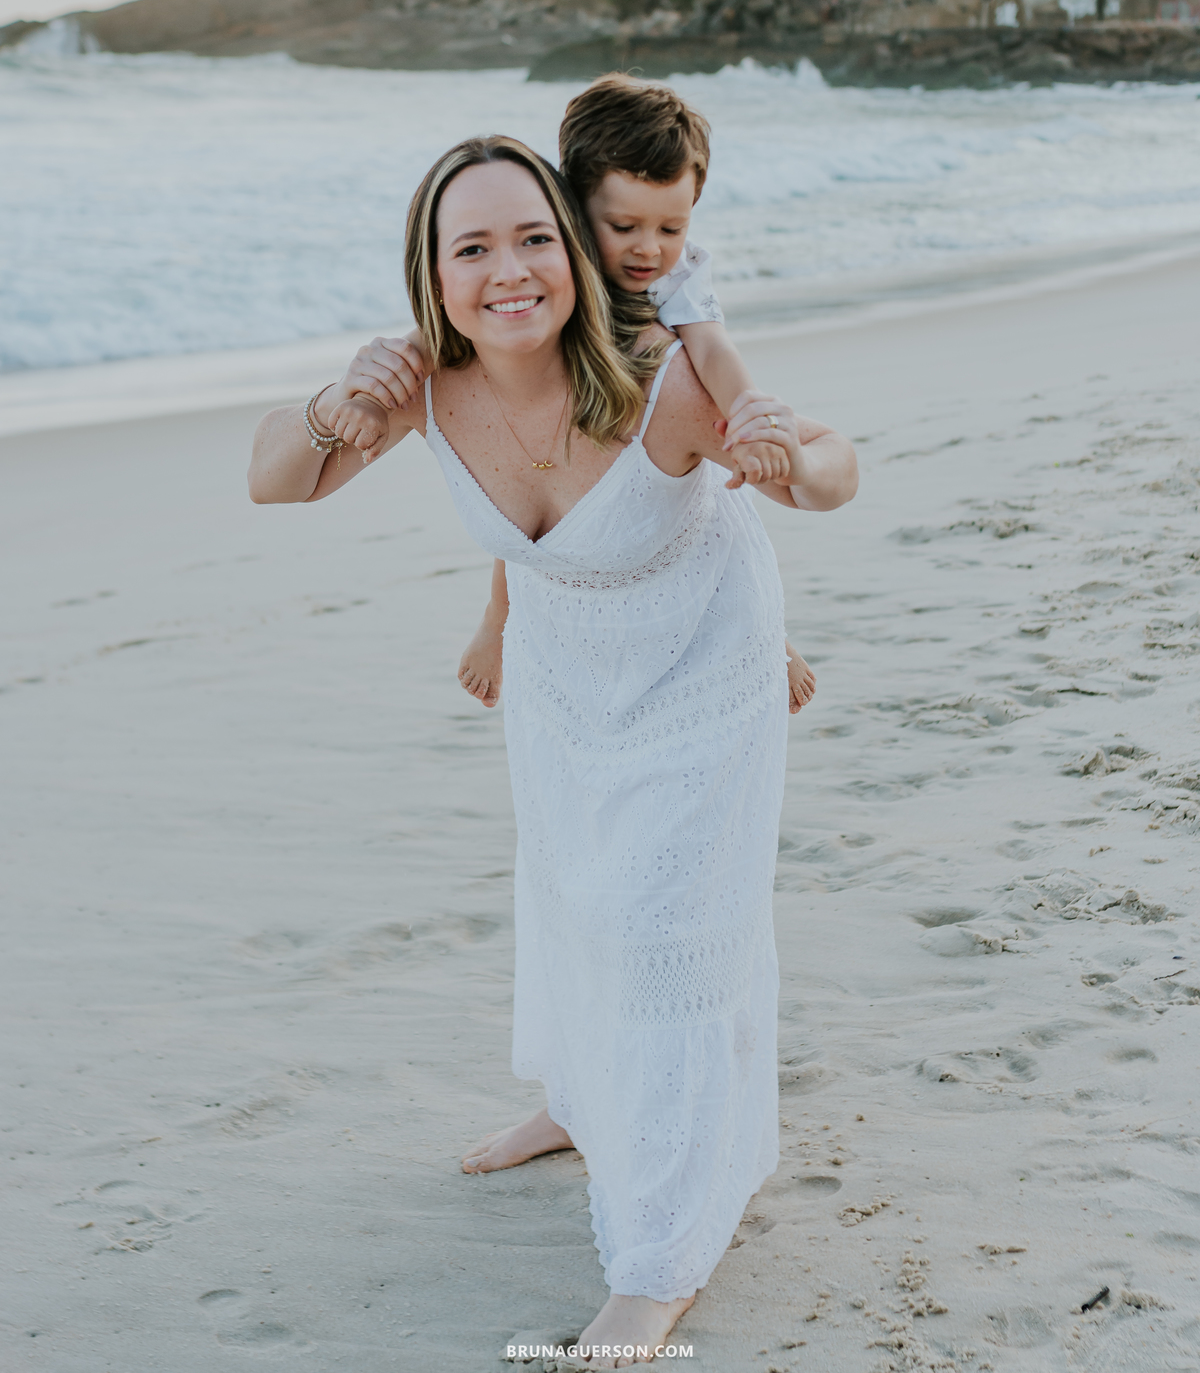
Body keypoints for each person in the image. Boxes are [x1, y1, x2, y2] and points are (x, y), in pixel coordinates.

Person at [247, 135, 857, 1367]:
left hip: (701, 665)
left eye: (534, 237)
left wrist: (790, 447)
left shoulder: (662, 377)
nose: (508, 270)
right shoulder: (420, 383)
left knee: (661, 933)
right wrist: (330, 405)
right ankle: (579, 1104)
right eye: (471, 247)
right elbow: (277, 481)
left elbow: (831, 477)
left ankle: (660, 1260)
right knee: (578, 899)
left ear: (574, 249)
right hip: (568, 673)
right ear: (432, 274)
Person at [454, 76, 815, 717]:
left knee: (713, 532)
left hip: (678, 450)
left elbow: (711, 348)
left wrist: (750, 415)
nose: (650, 248)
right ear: (572, 206)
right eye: (624, 226)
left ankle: (769, 636)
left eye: (672, 226)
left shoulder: (674, 278)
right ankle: (495, 616)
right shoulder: (547, 266)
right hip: (582, 446)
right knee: (531, 487)